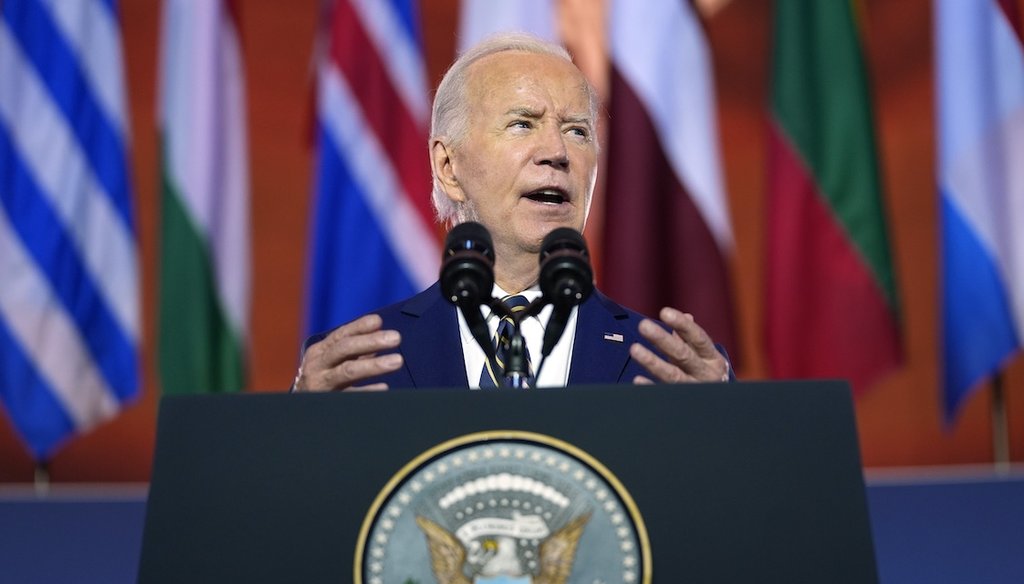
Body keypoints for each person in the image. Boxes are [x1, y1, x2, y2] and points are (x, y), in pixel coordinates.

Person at [293, 33, 731, 392]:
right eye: (523, 124)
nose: (557, 152)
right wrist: (301, 427)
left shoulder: (671, 371)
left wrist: (724, 429)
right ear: (448, 167)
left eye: (577, 131)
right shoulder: (355, 368)